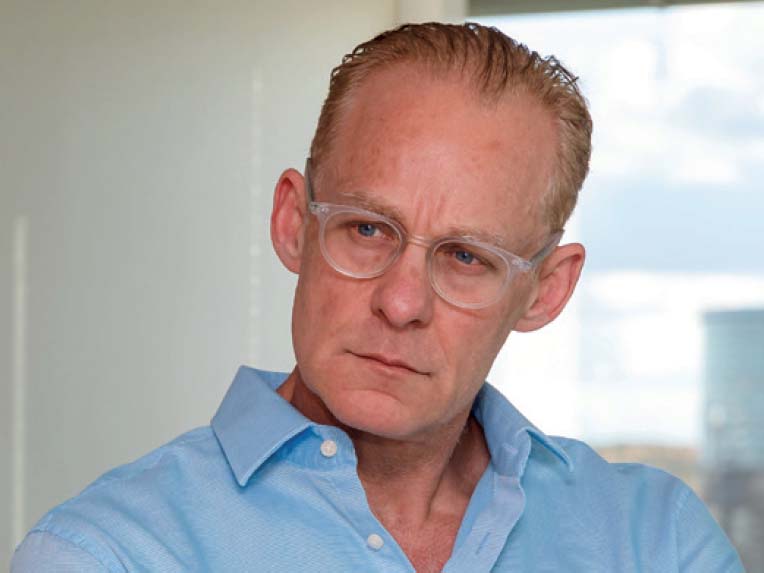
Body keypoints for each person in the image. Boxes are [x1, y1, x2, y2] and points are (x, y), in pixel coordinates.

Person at [12, 22, 743, 572]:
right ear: (294, 224)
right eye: (367, 228)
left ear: (544, 291)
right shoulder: (108, 553)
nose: (400, 303)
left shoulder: (657, 541)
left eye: (465, 256)